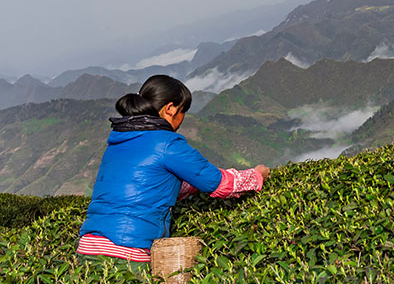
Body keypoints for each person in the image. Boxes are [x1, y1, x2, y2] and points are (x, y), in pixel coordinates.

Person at [77, 75, 270, 265]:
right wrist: (257, 175)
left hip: (86, 247)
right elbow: (218, 183)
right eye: (183, 111)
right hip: (128, 251)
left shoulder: (119, 141)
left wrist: (192, 186)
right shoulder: (167, 143)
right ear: (170, 109)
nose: (183, 118)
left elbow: (152, 184)